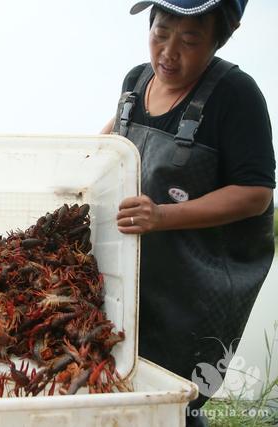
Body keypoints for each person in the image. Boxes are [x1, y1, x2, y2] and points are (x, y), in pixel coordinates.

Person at [101, 0, 274, 425]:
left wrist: (162, 216)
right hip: (129, 277)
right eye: (161, 32)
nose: (168, 52)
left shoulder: (236, 95)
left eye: (190, 39)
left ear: (223, 36)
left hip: (194, 287)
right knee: (113, 385)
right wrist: (75, 165)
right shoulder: (136, 80)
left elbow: (256, 194)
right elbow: (111, 143)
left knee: (175, 399)